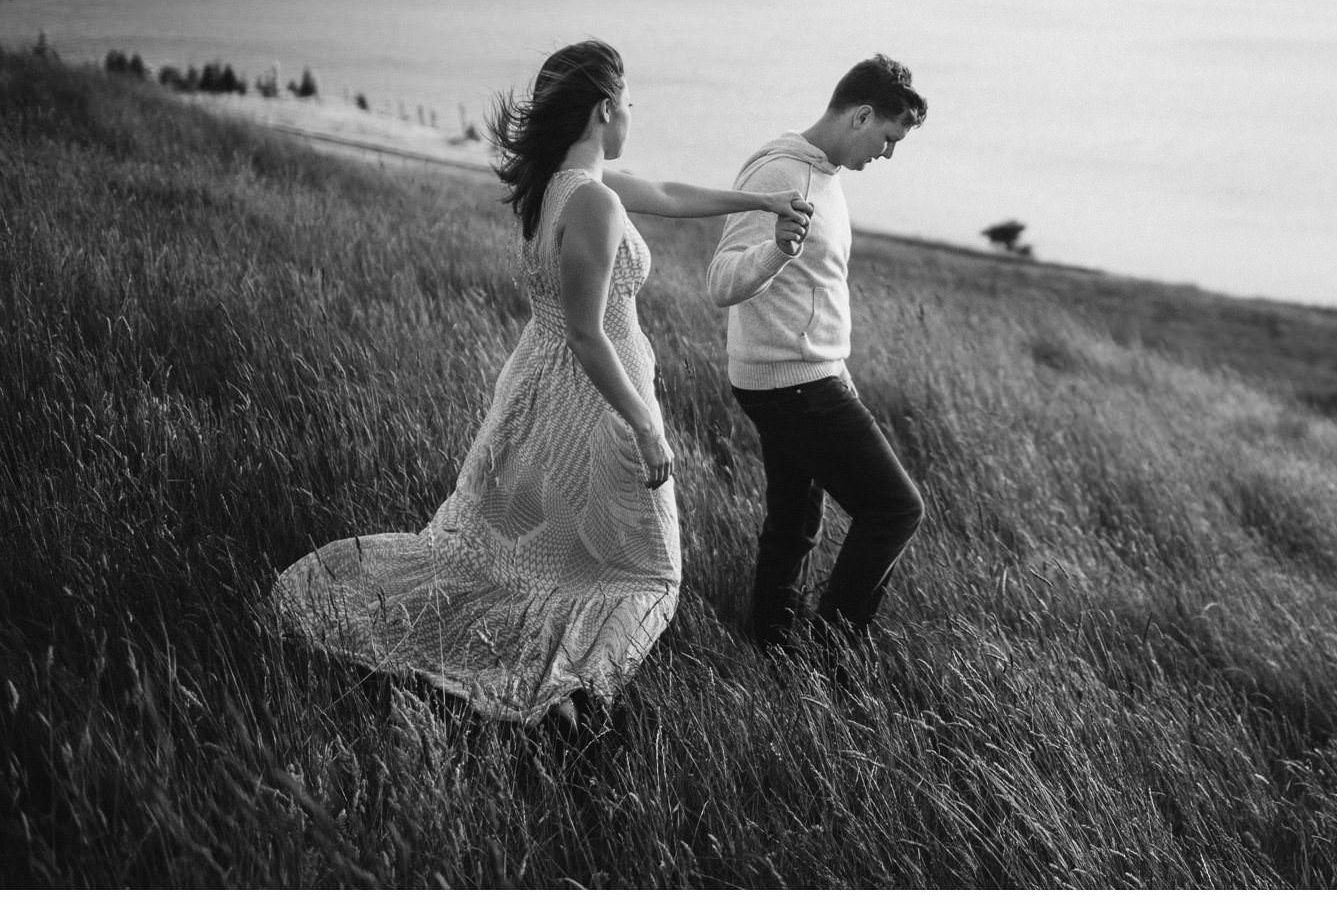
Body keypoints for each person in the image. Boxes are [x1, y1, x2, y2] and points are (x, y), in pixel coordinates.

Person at [272, 40, 809, 727]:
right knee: (648, 577)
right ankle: (573, 694)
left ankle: (562, 683)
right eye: (630, 103)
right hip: (594, 405)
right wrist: (645, 423)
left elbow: (672, 195)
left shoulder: (564, 185)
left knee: (553, 565)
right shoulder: (593, 204)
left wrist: (761, 199)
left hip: (544, 393)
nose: (633, 115)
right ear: (606, 109)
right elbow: (588, 333)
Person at [707, 54, 928, 651]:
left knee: (794, 525)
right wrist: (776, 251)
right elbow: (721, 281)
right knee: (895, 511)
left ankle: (772, 648)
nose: (886, 154)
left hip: (805, 374)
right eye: (887, 138)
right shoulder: (780, 174)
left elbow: (820, 294)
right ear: (861, 116)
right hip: (788, 383)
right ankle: (833, 657)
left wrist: (841, 372)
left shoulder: (825, 174)